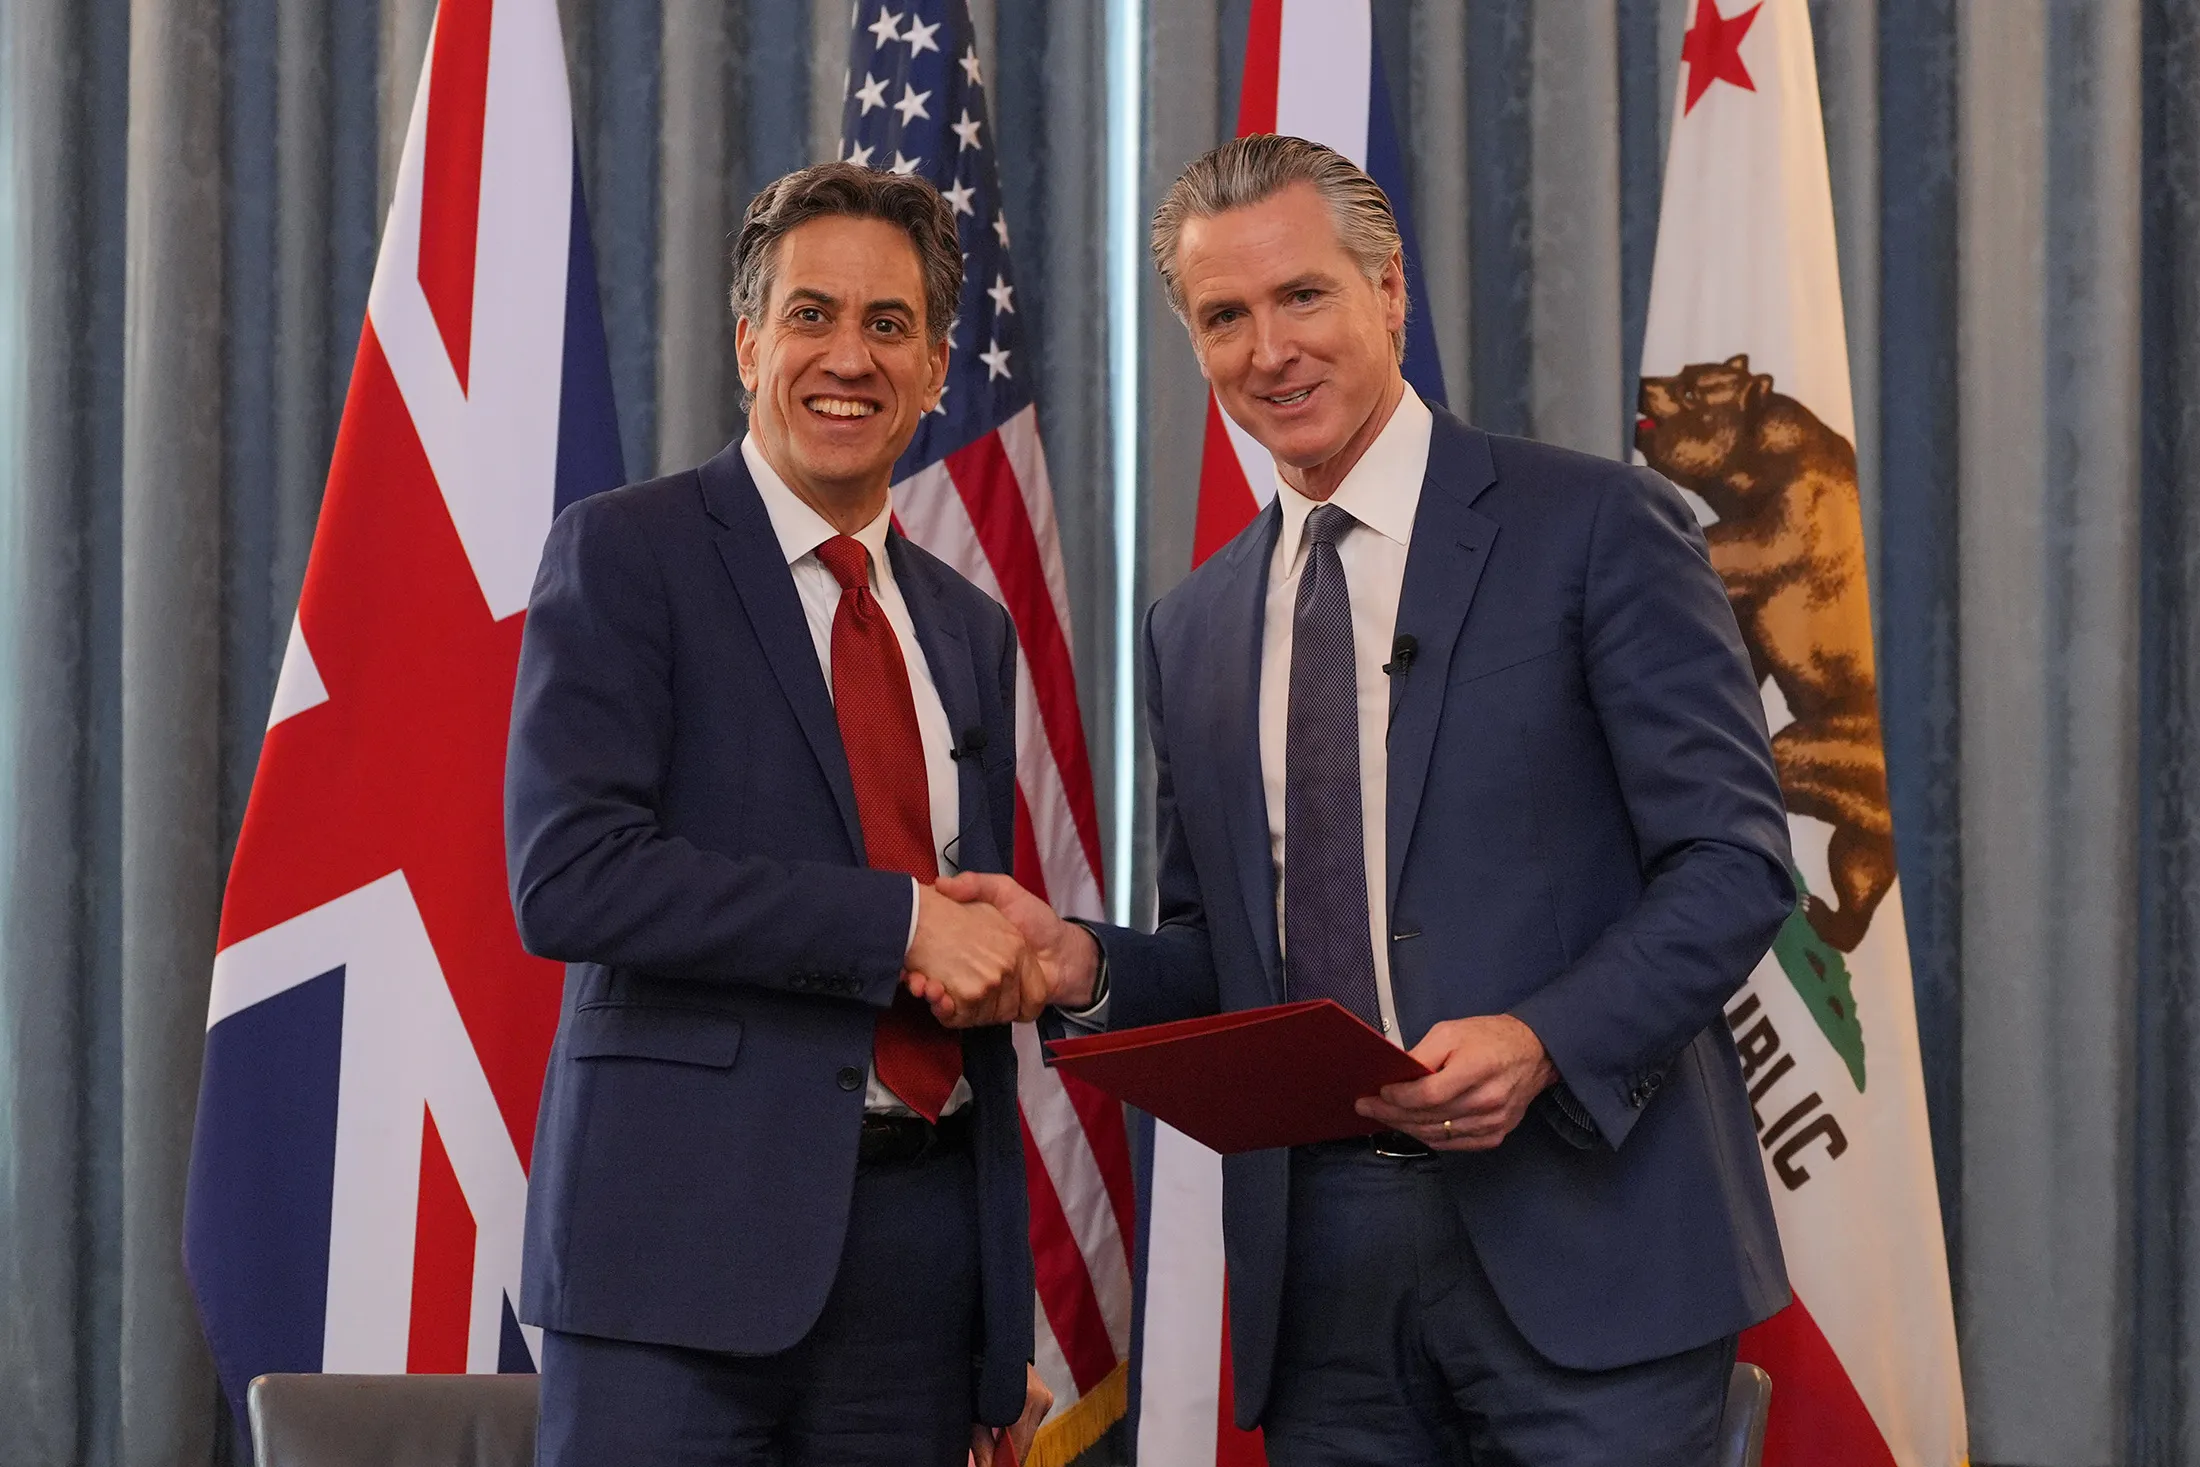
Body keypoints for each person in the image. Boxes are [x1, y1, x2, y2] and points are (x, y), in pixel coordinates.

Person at [944, 135, 1796, 1465]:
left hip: (1591, 1241)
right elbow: (1229, 961)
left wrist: (1543, 1037)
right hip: (1325, 1281)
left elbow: (1734, 859)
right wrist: (1080, 965)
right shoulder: (1197, 626)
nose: (1270, 349)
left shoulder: (1595, 528)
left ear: (1388, 294)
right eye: (1225, 317)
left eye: (1304, 297)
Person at [507, 162, 1050, 1467]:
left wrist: (996, 1329)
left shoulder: (970, 630)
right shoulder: (629, 554)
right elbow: (571, 876)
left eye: (889, 325)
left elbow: (975, 987)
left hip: (916, 1289)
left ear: (932, 372)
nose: (845, 357)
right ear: (748, 341)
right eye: (812, 314)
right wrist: (901, 921)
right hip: (674, 1260)